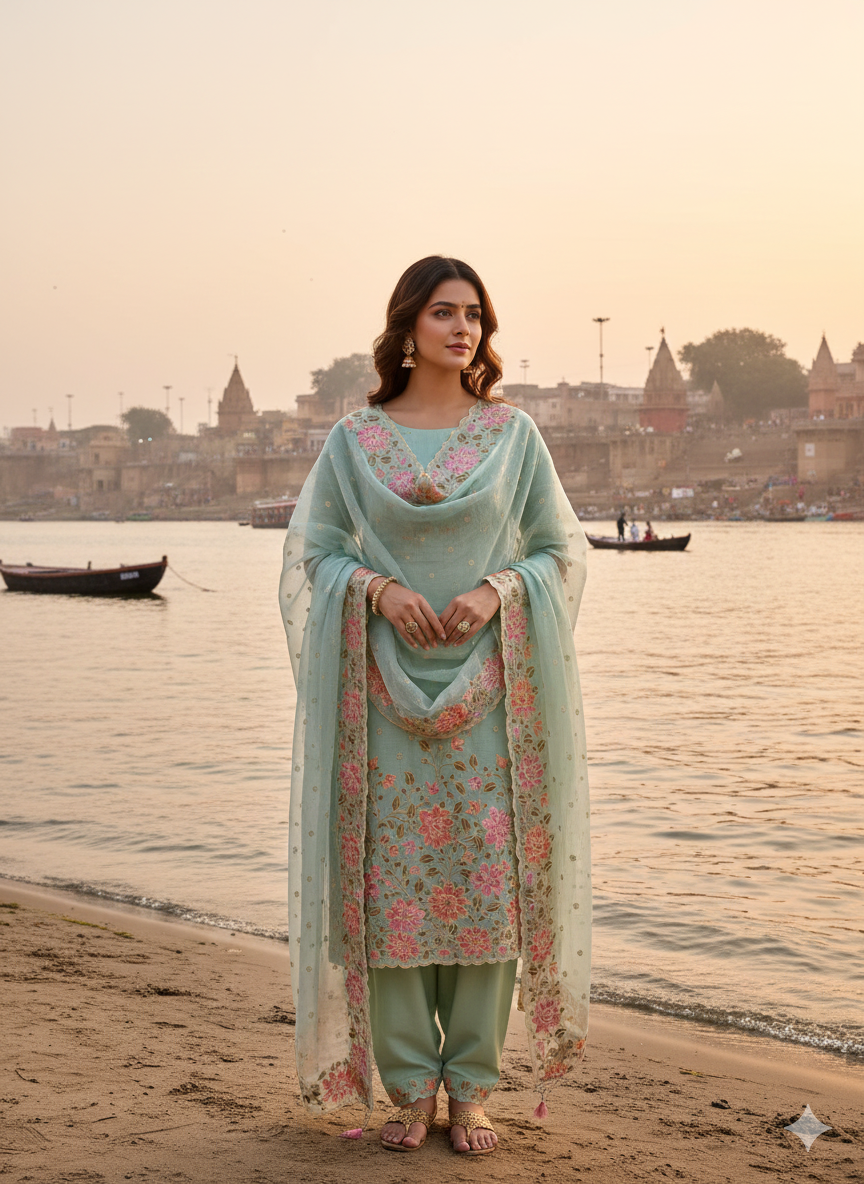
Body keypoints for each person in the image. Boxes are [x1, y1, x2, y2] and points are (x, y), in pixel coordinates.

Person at [279, 256, 591, 1156]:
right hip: (380, 688)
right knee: (394, 891)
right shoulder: (354, 439)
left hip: (493, 691)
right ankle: (410, 1088)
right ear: (408, 324)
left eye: (477, 317)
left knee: (488, 889)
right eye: (446, 313)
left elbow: (559, 551)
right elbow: (316, 555)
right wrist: (374, 592)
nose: (466, 330)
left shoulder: (512, 434)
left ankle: (473, 1090)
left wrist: (500, 591)